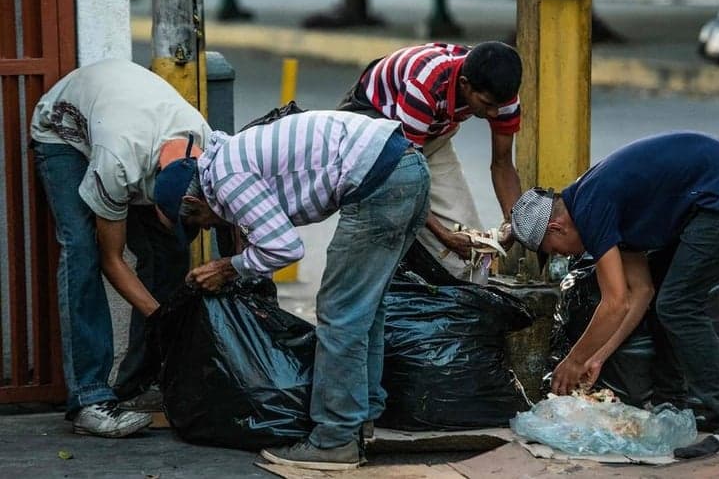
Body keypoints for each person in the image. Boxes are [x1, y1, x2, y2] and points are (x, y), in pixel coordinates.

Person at [154, 110, 430, 470]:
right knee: (366, 309)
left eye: (197, 223)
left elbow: (284, 248)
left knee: (339, 314)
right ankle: (362, 418)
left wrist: (228, 268)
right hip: (408, 166)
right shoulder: (227, 158)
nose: (206, 230)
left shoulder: (226, 179)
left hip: (381, 179)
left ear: (193, 202)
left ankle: (334, 440)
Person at [509, 131, 719, 461]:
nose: (562, 257)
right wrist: (598, 356)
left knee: (678, 305)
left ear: (557, 227)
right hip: (717, 194)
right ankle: (670, 407)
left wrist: (574, 361)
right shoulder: (596, 204)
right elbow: (640, 293)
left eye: (554, 251)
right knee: (667, 298)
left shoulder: (591, 205)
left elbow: (614, 302)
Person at [29, 58, 212, 437]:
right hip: (63, 133)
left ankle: (138, 385)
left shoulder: (207, 148)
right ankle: (90, 399)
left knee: (169, 253)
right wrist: (164, 318)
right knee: (82, 249)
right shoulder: (118, 164)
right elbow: (112, 260)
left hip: (127, 125)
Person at [339, 41, 523, 279]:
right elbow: (404, 176)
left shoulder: (502, 95)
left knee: (474, 257)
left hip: (428, 135)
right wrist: (445, 235)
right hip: (377, 133)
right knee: (385, 235)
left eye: (499, 106)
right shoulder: (425, 82)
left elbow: (503, 164)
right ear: (465, 85)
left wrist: (514, 222)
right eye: (487, 105)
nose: (494, 114)